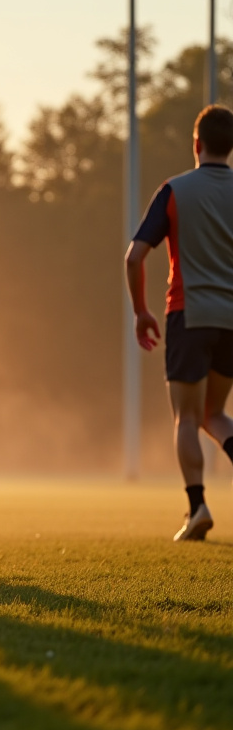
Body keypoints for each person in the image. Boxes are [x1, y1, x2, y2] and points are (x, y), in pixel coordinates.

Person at [125, 104, 233, 542]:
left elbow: (135, 256)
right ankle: (198, 507)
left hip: (188, 315)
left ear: (196, 144)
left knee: (187, 418)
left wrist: (140, 311)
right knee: (215, 413)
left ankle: (197, 508)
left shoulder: (175, 191)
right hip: (231, 320)